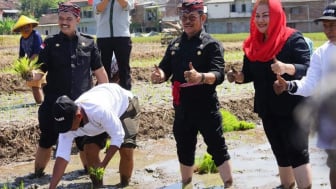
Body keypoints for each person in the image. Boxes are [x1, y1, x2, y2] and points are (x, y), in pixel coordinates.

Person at [226, 0, 312, 188]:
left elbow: (308, 68)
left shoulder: (292, 39)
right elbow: (248, 73)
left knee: (297, 153)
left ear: (276, 15)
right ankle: (286, 185)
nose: (261, 20)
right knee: (280, 151)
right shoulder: (253, 44)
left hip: (293, 108)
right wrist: (238, 76)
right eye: (257, 15)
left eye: (266, 15)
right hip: (268, 108)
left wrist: (285, 68)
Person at [151, 0, 233, 187]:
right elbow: (165, 69)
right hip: (182, 108)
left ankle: (229, 184)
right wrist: (160, 75)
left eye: (192, 18)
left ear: (202, 18)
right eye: (184, 17)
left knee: (217, 147)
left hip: (205, 107)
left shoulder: (211, 45)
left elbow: (219, 74)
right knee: (184, 147)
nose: (187, 21)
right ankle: (186, 183)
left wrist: (201, 77)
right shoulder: (175, 44)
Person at [24, 2, 109, 178]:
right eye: (61, 18)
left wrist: (105, 98)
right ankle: (37, 175)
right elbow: (40, 70)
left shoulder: (89, 42)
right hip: (54, 103)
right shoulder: (50, 43)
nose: (64, 22)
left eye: (69, 19)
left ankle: (89, 173)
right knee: (47, 139)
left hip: (82, 104)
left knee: (85, 142)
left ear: (77, 19)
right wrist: (31, 76)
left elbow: (100, 72)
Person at [273, 3, 336, 188]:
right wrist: (289, 85)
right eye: (325, 25)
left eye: (332, 25)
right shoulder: (321, 53)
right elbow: (310, 84)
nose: (328, 30)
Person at [48, 83, 139, 188]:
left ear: (78, 116)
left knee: (126, 148)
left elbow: (118, 136)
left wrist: (103, 164)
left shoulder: (99, 111)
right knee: (90, 149)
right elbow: (62, 157)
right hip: (99, 121)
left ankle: (124, 184)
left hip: (124, 106)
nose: (66, 130)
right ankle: (97, 186)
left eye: (67, 125)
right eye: (62, 126)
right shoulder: (66, 127)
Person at [93, 0, 134, 90]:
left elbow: (127, 6)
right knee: (103, 67)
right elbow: (97, 10)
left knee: (124, 68)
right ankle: (104, 94)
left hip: (122, 35)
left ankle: (126, 95)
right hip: (103, 35)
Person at [12, 15, 44, 104]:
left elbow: (36, 52)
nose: (26, 29)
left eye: (28, 26)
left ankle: (43, 103)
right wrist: (20, 67)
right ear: (20, 29)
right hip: (33, 63)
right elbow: (21, 55)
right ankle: (41, 102)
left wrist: (29, 66)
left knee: (39, 84)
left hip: (42, 61)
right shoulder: (22, 39)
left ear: (31, 26)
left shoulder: (35, 35)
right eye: (23, 27)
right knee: (36, 85)